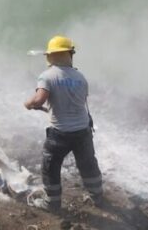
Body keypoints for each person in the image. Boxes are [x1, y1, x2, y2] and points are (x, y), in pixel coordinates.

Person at [24, 35, 102, 212]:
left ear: (50, 56)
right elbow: (77, 102)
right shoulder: (80, 77)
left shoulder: (47, 76)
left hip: (60, 133)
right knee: (88, 163)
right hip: (83, 130)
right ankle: (97, 196)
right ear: (70, 54)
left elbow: (39, 100)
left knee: (50, 167)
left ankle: (52, 203)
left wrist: (28, 104)